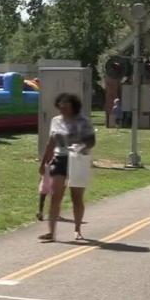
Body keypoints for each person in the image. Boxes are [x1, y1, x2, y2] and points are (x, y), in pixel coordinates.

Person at [39, 93, 96, 242]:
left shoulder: (83, 121)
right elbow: (51, 143)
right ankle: (51, 233)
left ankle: (77, 230)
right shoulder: (55, 121)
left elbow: (91, 141)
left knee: (76, 197)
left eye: (66, 104)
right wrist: (43, 163)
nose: (62, 107)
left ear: (73, 106)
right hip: (60, 159)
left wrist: (80, 146)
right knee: (55, 196)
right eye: (60, 104)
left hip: (78, 159)